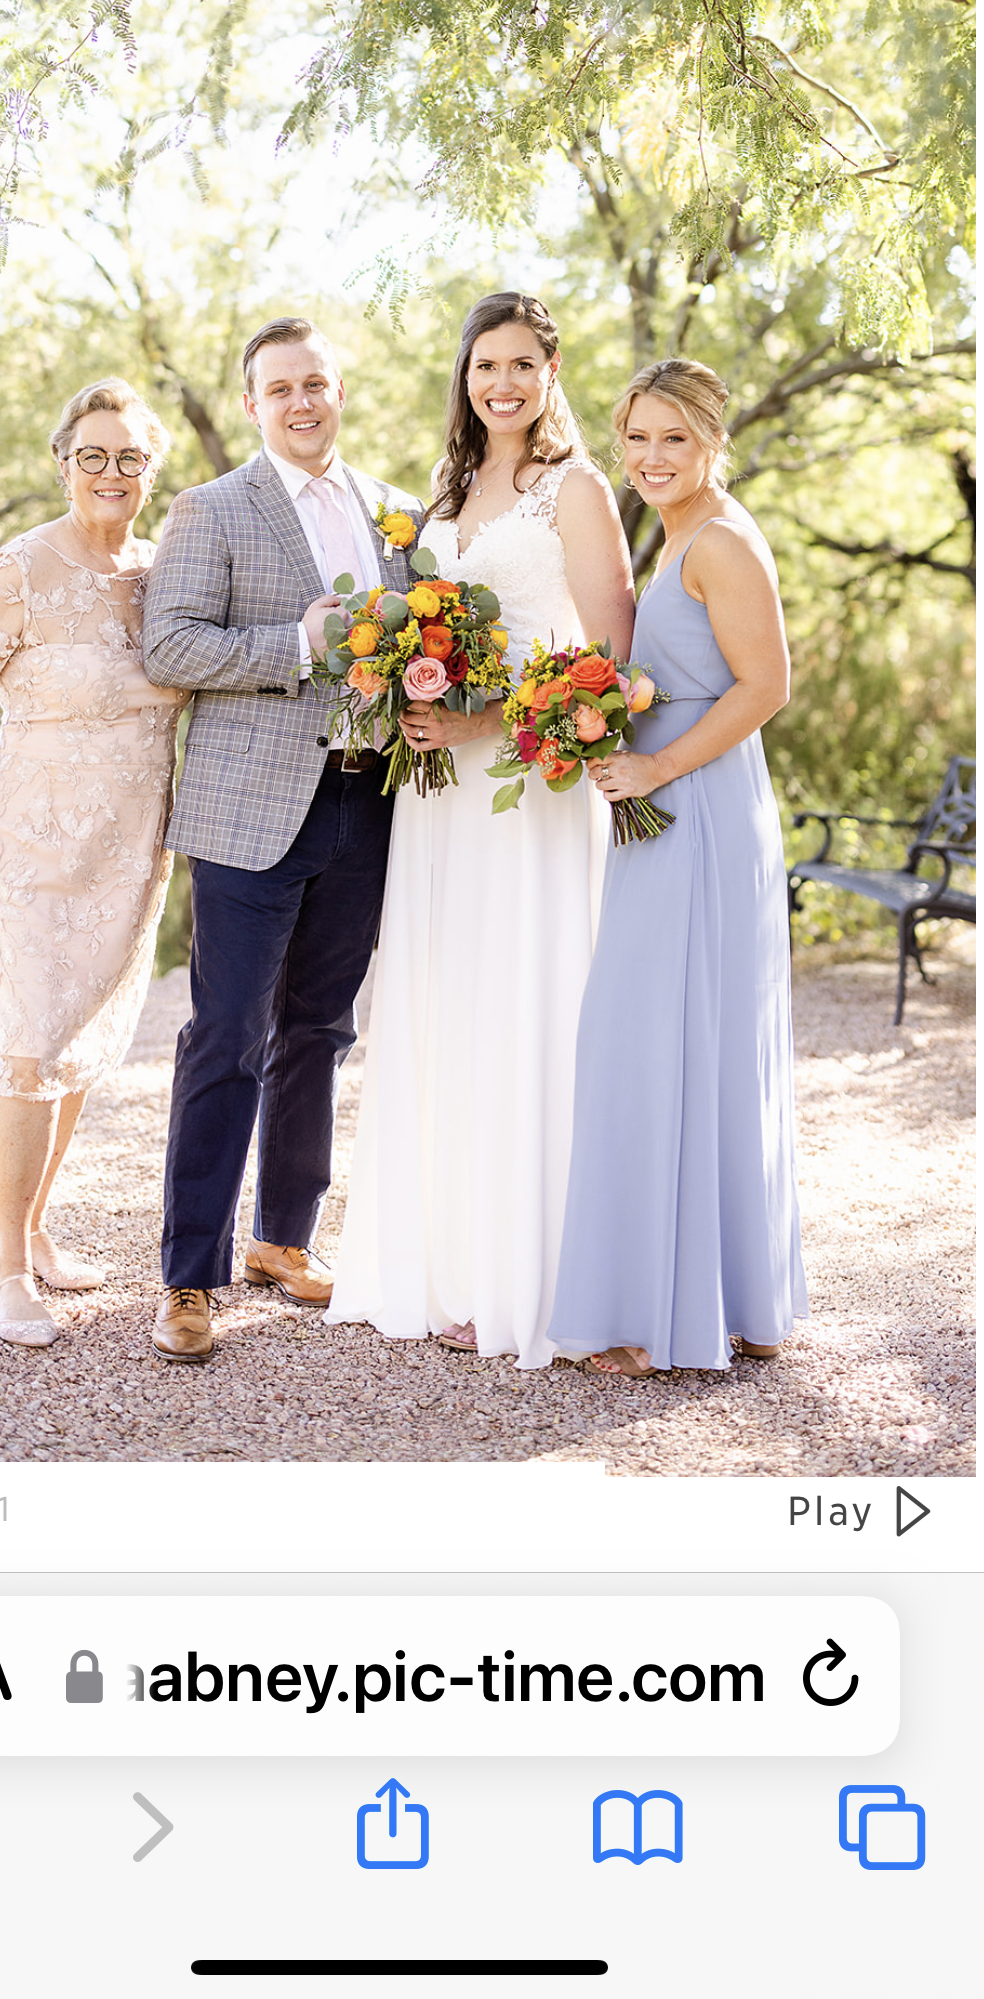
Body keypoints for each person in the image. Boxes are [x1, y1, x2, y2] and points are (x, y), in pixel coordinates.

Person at [326, 292, 635, 1368]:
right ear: (465, 378)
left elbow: (609, 661)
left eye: (519, 365)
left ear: (551, 373)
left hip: (526, 786)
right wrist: (404, 682)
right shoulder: (448, 489)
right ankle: (455, 1266)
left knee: (525, 999)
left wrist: (483, 717)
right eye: (484, 366)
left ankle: (537, 1277)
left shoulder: (576, 491)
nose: (501, 384)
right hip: (437, 792)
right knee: (447, 1001)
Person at [140, 317, 423, 1362]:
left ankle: (282, 1239)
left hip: (365, 803)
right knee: (227, 1036)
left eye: (316, 383)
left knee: (320, 1031)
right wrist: (292, 645)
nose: (301, 402)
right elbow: (168, 646)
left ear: (339, 391)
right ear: (253, 403)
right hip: (247, 813)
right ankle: (189, 1277)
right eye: (280, 389)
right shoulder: (211, 507)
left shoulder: (395, 513)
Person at [0, 379, 185, 1348]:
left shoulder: (161, 574)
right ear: (63, 464)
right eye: (92, 455)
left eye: (129, 457)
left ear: (150, 470)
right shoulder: (21, 569)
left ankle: (37, 1227)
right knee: (28, 1044)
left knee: (78, 1043)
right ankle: (9, 1270)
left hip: (131, 849)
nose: (111, 472)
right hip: (31, 843)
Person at [549, 357, 808, 1376]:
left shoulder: (723, 541)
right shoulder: (679, 531)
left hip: (697, 811)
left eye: (675, 439)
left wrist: (655, 762)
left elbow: (766, 686)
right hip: (676, 811)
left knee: (654, 1044)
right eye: (638, 438)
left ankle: (660, 1321)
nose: (652, 457)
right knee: (688, 1043)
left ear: (712, 441)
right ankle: (734, 1305)